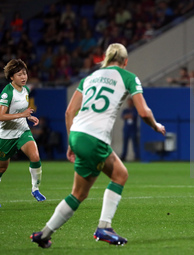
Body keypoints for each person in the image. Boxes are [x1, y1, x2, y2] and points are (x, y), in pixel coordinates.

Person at [31, 43, 166, 248]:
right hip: (95, 138)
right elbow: (144, 112)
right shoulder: (128, 77)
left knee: (79, 193)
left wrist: (71, 142)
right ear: (125, 61)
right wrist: (155, 125)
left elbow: (69, 112)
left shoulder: (89, 78)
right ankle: (104, 227)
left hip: (78, 134)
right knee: (119, 176)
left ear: (106, 58)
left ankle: (44, 234)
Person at [0, 59, 46, 201]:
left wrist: (29, 117)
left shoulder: (25, 90)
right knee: (2, 169)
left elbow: (21, 111)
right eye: (19, 74)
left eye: (25, 73)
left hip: (22, 130)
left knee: (35, 157)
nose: (23, 77)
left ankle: (35, 189)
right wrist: (23, 115)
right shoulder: (7, 92)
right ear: (11, 77)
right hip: (6, 135)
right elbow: (1, 116)